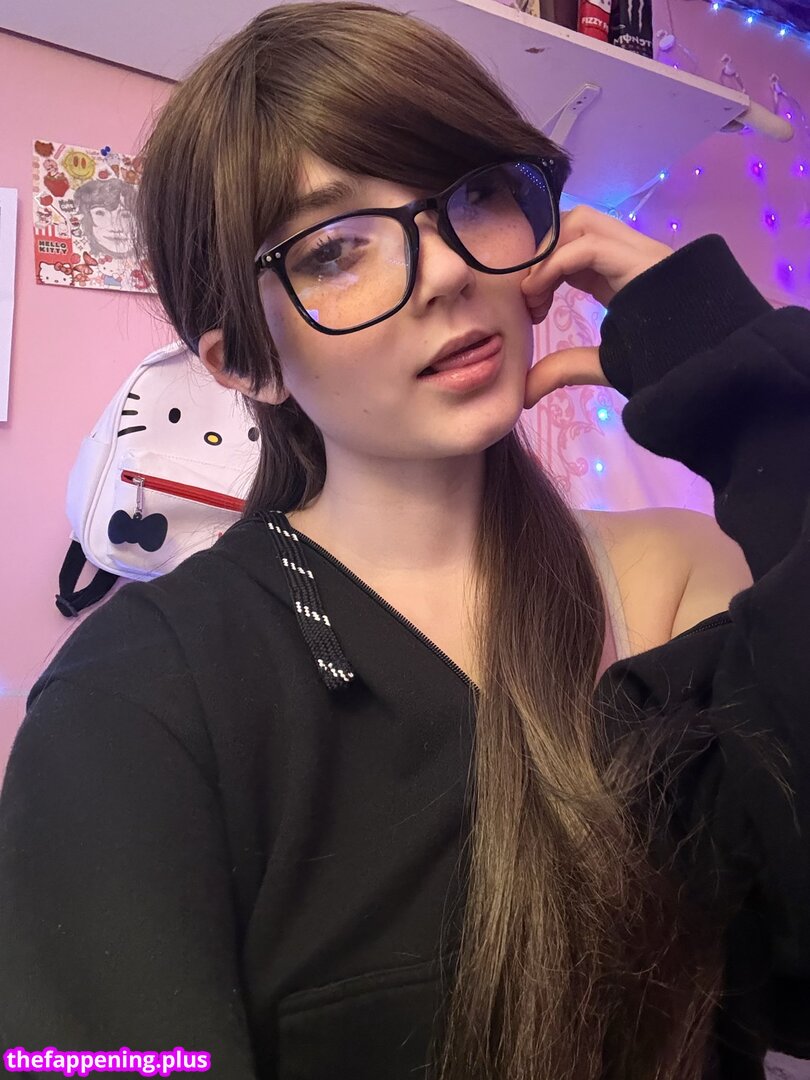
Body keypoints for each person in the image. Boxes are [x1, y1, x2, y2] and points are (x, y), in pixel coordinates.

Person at [1, 4, 808, 1079]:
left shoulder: (678, 580)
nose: (444, 272)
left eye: (473, 194)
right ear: (246, 363)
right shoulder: (141, 695)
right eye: (337, 248)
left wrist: (747, 386)